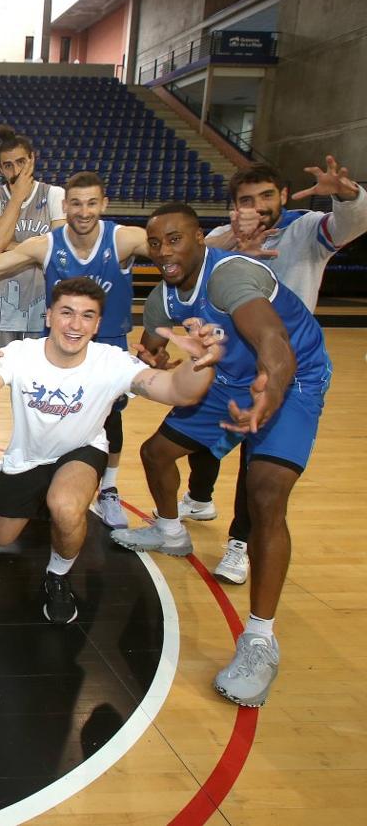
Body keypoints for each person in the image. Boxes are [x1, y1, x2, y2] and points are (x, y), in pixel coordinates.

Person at [111, 202, 331, 708]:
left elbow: (275, 340)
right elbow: (155, 352)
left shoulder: (226, 278)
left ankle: (259, 640)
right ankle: (170, 531)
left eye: (176, 240)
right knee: (156, 453)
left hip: (292, 382)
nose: (165, 252)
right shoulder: (163, 300)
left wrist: (268, 394)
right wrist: (149, 361)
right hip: (227, 382)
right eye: (157, 243)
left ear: (199, 240)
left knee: (265, 493)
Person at [0, 276, 225, 624]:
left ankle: (58, 575)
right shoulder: (21, 355)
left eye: (87, 316)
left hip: (82, 451)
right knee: (1, 539)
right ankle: (54, 509)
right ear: (48, 316)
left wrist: (200, 363)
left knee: (64, 505)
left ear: (98, 324)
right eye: (66, 313)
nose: (75, 325)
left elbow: (178, 392)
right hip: (27, 458)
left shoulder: (112, 362)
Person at [172, 157, 367, 584]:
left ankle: (240, 542)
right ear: (233, 206)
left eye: (265, 196)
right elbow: (194, 262)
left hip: (284, 364)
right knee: (204, 437)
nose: (257, 206)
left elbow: (352, 223)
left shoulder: (306, 230)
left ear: (282, 196)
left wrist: (348, 194)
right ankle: (199, 497)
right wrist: (236, 245)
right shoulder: (225, 239)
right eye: (246, 199)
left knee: (255, 461)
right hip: (228, 361)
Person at [0, 172, 145, 529]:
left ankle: (110, 488)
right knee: (52, 410)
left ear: (103, 204)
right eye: (76, 203)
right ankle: (47, 477)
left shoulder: (125, 238)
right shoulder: (47, 244)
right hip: (59, 345)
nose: (83, 211)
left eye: (91, 203)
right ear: (64, 205)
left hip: (106, 344)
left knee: (109, 418)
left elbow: (176, 253)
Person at [0, 126, 66, 495]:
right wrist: (18, 199)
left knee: (40, 392)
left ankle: (37, 460)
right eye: (7, 165)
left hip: (44, 311)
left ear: (33, 160)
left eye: (21, 163)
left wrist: (14, 244)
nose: (14, 171)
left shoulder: (55, 195)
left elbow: (57, 248)